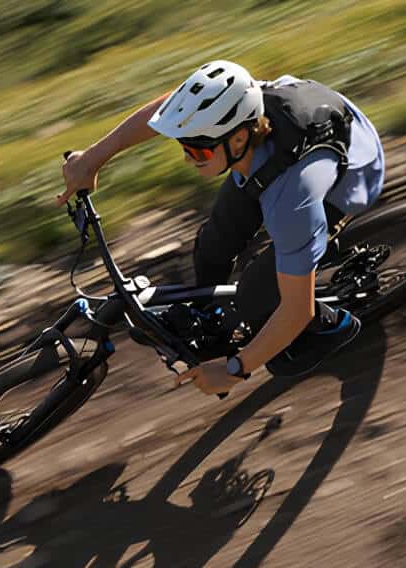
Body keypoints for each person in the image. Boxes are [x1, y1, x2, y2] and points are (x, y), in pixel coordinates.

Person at [57, 60, 385, 397]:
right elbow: (169, 109)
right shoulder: (241, 105)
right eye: (184, 147)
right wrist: (92, 158)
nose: (187, 159)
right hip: (295, 145)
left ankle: (333, 326)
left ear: (239, 138)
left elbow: (296, 310)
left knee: (256, 294)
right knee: (213, 245)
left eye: (197, 151)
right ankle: (211, 320)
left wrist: (235, 370)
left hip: (349, 176)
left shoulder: (292, 201)